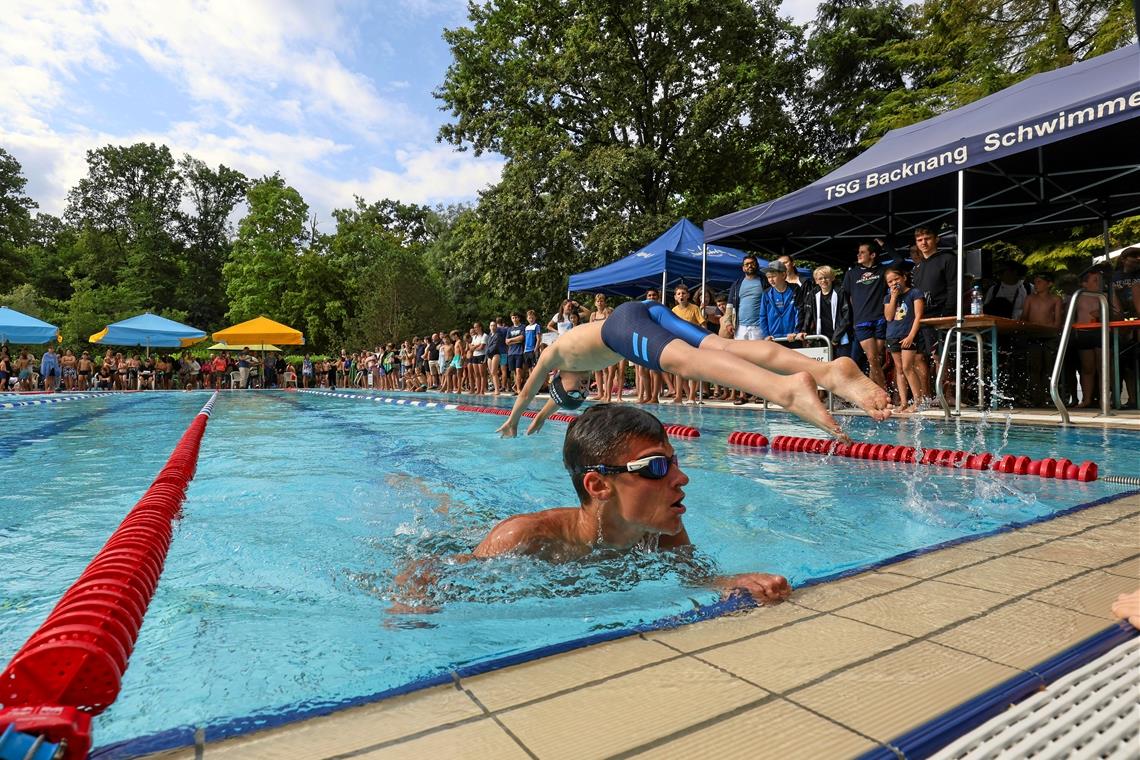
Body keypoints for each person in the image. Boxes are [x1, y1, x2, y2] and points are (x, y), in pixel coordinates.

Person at [396, 404, 791, 609]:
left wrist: (731, 582)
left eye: (675, 461)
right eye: (657, 466)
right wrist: (412, 602)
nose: (680, 478)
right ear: (599, 484)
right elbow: (429, 571)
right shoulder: (526, 537)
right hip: (469, 536)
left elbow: (699, 577)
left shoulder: (659, 530)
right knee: (461, 519)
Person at [497, 298, 891, 441]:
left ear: (558, 381)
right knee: (722, 345)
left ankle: (785, 390)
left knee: (685, 362)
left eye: (575, 390)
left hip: (621, 327)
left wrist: (515, 419)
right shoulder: (571, 370)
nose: (581, 388)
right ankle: (828, 372)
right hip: (642, 311)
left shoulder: (553, 357)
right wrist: (540, 421)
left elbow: (532, 389)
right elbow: (552, 400)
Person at [883, 268, 928, 411]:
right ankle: (903, 402)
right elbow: (889, 317)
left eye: (896, 279)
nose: (893, 283)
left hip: (907, 335)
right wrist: (893, 297)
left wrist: (911, 336)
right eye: (890, 281)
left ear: (904, 277)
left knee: (908, 367)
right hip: (892, 335)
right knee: (899, 369)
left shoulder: (915, 293)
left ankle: (918, 401)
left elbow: (918, 316)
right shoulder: (888, 297)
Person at [848, 240, 889, 390]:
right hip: (862, 321)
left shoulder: (882, 271)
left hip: (880, 319)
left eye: (862, 252)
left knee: (876, 359)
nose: (859, 254)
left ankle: (875, 394)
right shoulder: (852, 273)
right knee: (872, 359)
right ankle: (884, 393)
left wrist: (884, 244)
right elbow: (849, 297)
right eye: (858, 252)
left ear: (872, 255)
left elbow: (899, 260)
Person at [728, 255, 766, 405]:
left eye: (752, 263)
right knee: (740, 362)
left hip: (759, 327)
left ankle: (759, 394)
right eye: (746, 264)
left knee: (759, 362)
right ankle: (742, 394)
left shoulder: (764, 281)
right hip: (740, 327)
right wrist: (729, 323)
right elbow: (730, 306)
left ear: (756, 265)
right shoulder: (737, 284)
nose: (749, 266)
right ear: (743, 268)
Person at [797, 266, 852, 359]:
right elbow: (808, 314)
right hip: (821, 337)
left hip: (839, 337)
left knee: (840, 365)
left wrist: (836, 337)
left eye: (826, 277)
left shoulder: (840, 292)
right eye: (820, 278)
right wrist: (804, 330)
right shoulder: (813, 294)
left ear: (832, 278)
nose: (823, 280)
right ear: (816, 281)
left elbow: (846, 316)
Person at [670, 284, 706, 404]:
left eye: (683, 293)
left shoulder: (694, 308)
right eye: (679, 294)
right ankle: (679, 396)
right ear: (675, 297)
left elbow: (702, 324)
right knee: (678, 371)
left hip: (692, 341)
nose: (681, 296)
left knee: (692, 370)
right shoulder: (673, 311)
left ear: (688, 295)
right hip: (678, 343)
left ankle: (692, 397)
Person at [759, 261, 800, 344]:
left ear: (783, 275)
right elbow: (763, 316)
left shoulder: (795, 290)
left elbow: (799, 312)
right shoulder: (766, 293)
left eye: (773, 276)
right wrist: (766, 335)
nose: (770, 280)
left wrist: (796, 332)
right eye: (768, 277)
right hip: (773, 338)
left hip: (792, 337)